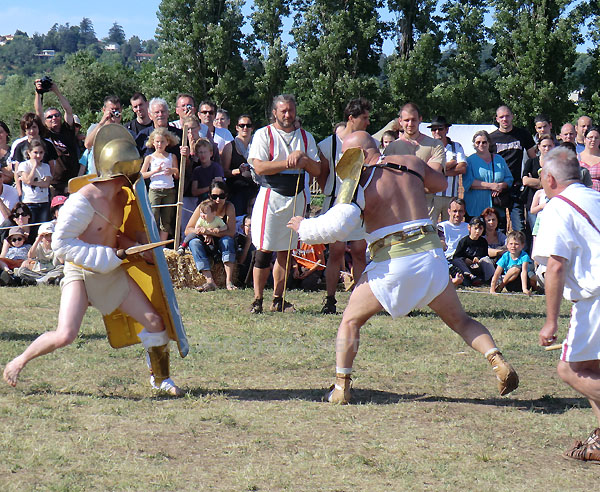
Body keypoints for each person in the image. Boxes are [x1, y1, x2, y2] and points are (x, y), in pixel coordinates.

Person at [288, 131, 518, 403]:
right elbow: (439, 182)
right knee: (461, 320)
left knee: (351, 319)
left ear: (355, 155)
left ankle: (341, 388)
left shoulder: (360, 183)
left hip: (393, 262)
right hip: (431, 257)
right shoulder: (410, 162)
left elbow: (337, 226)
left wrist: (303, 227)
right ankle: (496, 359)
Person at [2, 124, 183, 396]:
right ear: (116, 172)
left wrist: (137, 247)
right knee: (66, 334)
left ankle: (161, 379)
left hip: (109, 272)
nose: (131, 179)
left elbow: (117, 233)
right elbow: (62, 245)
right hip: (81, 272)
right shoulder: (82, 201)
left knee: (155, 322)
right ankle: (19, 361)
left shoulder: (123, 197)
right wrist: (107, 256)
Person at [533, 146, 600, 463]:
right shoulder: (596, 197)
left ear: (548, 178)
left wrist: (551, 322)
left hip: (596, 299)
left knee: (570, 368)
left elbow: (555, 266)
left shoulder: (557, 208)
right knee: (592, 368)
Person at [247, 94, 320, 314]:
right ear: (275, 113)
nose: (288, 115)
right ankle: (257, 299)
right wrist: (287, 162)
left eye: (291, 110)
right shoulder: (264, 134)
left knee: (286, 251)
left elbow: (316, 170)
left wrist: (304, 160)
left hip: (296, 196)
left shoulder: (306, 138)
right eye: (283, 111)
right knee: (264, 249)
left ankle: (278, 298)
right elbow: (259, 167)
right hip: (271, 195)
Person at [317, 98, 371, 314]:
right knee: (336, 251)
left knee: (359, 251)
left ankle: (359, 301)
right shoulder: (328, 144)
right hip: (335, 203)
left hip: (357, 204)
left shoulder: (366, 142)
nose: (367, 122)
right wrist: (331, 192)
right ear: (351, 118)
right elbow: (321, 174)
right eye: (364, 118)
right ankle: (330, 300)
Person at [489, 105, 536, 233]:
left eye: (507, 116)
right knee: (499, 227)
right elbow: (486, 162)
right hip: (498, 189)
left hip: (517, 186)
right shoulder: (491, 139)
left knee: (519, 227)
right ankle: (500, 253)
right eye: (502, 117)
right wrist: (492, 185)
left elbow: (533, 157)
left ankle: (521, 253)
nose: (505, 119)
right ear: (497, 119)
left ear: (512, 116)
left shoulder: (522, 134)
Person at [184, 180, 237, 291]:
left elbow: (231, 232)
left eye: (221, 196)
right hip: (205, 242)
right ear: (209, 196)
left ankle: (229, 281)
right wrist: (203, 232)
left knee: (227, 240)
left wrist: (211, 232)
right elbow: (188, 230)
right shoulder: (203, 207)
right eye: (214, 196)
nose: (218, 200)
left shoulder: (229, 207)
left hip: (220, 242)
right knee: (193, 242)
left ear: (226, 196)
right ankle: (210, 281)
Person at [34, 79, 80, 196]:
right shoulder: (45, 133)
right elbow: (38, 112)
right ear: (46, 121)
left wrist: (57, 91)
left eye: (56, 115)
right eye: (50, 117)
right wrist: (38, 93)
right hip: (55, 183)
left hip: (74, 179)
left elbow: (68, 110)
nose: (54, 118)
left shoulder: (67, 130)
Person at [463, 130, 513, 221]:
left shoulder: (499, 160)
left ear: (489, 143)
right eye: (478, 142)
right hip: (475, 208)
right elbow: (469, 182)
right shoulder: (469, 161)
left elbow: (509, 179)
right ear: (474, 144)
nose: (481, 144)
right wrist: (492, 186)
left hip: (496, 209)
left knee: (497, 234)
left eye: (484, 142)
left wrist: (500, 186)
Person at [141, 127, 180, 240]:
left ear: (167, 142)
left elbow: (177, 174)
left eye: (162, 141)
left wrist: (172, 171)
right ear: (153, 142)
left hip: (169, 190)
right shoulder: (149, 158)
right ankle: (152, 242)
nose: (159, 144)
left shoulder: (172, 156)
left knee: (166, 219)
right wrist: (154, 172)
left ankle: (162, 246)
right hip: (155, 190)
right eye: (157, 141)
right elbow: (142, 175)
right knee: (153, 216)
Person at [428, 116, 467, 222]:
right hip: (432, 196)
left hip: (451, 197)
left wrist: (440, 170)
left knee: (450, 228)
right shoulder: (428, 148)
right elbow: (427, 170)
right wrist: (451, 164)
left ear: (446, 130)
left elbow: (462, 168)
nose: (437, 132)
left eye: (440, 128)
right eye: (434, 129)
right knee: (431, 228)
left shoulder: (456, 146)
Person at [226, 114, 258, 216]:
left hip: (255, 187)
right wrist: (238, 170)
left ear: (252, 128)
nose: (245, 128)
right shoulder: (230, 147)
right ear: (237, 127)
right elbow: (224, 172)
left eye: (248, 125)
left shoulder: (258, 146)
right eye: (242, 125)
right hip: (237, 190)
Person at [451, 216, 495, 284]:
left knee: (486, 259)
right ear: (469, 228)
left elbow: (485, 255)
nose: (477, 231)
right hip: (466, 267)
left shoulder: (483, 242)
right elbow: (456, 257)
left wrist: (478, 258)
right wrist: (465, 259)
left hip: (478, 266)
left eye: (480, 229)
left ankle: (492, 278)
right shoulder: (464, 241)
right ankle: (470, 276)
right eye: (475, 228)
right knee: (457, 261)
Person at [17, 139, 52, 225]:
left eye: (41, 152)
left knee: (42, 226)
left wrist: (31, 183)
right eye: (35, 152)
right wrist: (34, 167)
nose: (38, 155)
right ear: (29, 152)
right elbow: (28, 180)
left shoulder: (46, 166)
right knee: (31, 226)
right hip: (30, 202)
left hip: (43, 201)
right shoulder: (24, 165)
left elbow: (46, 183)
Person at [490, 230, 535, 295]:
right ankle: (501, 286)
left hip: (523, 282)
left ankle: (536, 288)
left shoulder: (524, 256)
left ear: (522, 245)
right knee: (515, 269)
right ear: (507, 245)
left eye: (516, 244)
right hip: (510, 283)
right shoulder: (505, 256)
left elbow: (524, 272)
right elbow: (497, 273)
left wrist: (524, 289)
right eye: (511, 244)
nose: (513, 246)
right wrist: (492, 288)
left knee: (532, 276)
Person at [577, 126, 600, 192]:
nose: (593, 140)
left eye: (596, 138)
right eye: (590, 137)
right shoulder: (577, 158)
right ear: (584, 139)